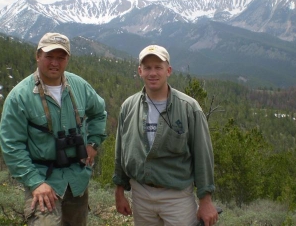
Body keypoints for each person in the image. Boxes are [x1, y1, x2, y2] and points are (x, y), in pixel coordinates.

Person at [0, 32, 107, 226]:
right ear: (38, 55)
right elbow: (11, 145)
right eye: (49, 56)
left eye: (61, 57)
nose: (54, 63)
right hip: (44, 181)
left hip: (77, 180)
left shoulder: (79, 86)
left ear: (68, 59)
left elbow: (99, 112)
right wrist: (35, 182)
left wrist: (93, 143)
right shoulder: (20, 97)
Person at [113, 45, 218, 226]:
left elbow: (203, 156)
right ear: (140, 71)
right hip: (141, 195)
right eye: (147, 68)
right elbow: (121, 152)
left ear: (168, 70)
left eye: (158, 67)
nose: (152, 73)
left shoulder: (189, 108)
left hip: (177, 196)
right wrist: (119, 191)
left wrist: (205, 200)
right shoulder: (128, 107)